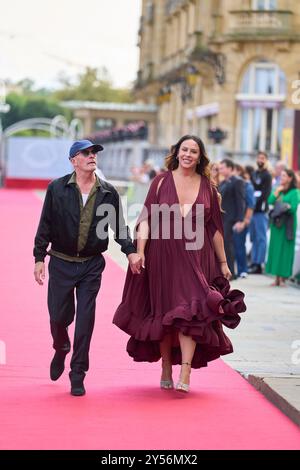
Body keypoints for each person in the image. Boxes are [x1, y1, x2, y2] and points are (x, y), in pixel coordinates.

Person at [113, 135, 246, 393]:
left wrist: (223, 262)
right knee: (165, 314)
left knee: (191, 313)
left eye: (193, 151)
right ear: (176, 152)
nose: (188, 154)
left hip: (197, 259)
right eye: (184, 149)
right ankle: (165, 366)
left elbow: (215, 229)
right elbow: (146, 220)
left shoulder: (208, 186)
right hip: (162, 257)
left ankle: (185, 370)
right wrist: (139, 252)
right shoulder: (161, 181)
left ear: (200, 156)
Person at [33, 139, 142, 396]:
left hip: (91, 265)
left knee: (85, 320)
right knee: (59, 317)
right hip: (60, 261)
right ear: (74, 160)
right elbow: (45, 224)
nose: (92, 156)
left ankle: (78, 372)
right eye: (86, 153)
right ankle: (61, 347)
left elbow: (119, 227)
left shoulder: (107, 192)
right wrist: (39, 257)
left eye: (94, 153)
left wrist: (131, 252)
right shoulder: (57, 188)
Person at [266, 169, 300, 286]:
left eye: (284, 176)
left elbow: (293, 207)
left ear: (290, 178)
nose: (282, 178)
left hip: (288, 225)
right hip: (277, 224)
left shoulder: (295, 192)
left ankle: (283, 278)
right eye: (281, 176)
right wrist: (277, 193)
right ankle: (276, 278)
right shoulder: (278, 190)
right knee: (275, 250)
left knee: (285, 251)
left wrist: (280, 206)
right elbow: (270, 201)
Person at [218, 159, 246, 279]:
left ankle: (231, 272)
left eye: (223, 167)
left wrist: (240, 220)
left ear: (230, 168)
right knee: (223, 244)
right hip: (223, 217)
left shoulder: (237, 182)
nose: (220, 170)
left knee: (227, 244)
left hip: (231, 217)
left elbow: (240, 201)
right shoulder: (223, 182)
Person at [249, 151, 272, 274]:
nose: (260, 160)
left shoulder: (267, 175)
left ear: (266, 160)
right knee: (253, 238)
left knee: (261, 237)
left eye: (263, 158)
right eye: (258, 158)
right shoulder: (254, 173)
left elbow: (265, 193)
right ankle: (253, 261)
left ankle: (259, 264)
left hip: (261, 210)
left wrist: (257, 204)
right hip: (252, 209)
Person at [232, 164, 255, 278]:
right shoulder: (231, 184)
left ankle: (243, 270)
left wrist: (245, 221)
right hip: (231, 220)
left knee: (240, 245)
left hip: (241, 221)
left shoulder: (247, 186)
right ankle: (235, 270)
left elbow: (250, 206)